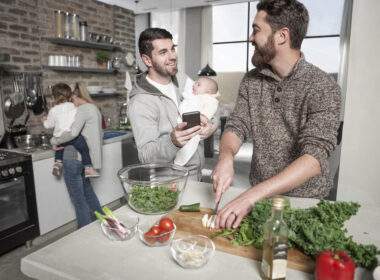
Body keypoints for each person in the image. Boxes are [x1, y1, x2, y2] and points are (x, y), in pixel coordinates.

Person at [211, 0, 341, 229]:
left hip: (304, 202)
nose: (251, 38)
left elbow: (314, 158)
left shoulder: (322, 85)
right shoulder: (252, 80)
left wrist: (251, 195)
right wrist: (225, 158)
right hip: (261, 200)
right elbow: (237, 125)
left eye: (256, 30)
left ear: (282, 36)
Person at [127, 27, 217, 180]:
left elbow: (211, 101)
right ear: (147, 60)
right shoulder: (140, 101)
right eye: (163, 52)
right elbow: (146, 156)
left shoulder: (182, 79)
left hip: (196, 175)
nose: (173, 56)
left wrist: (212, 125)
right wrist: (172, 142)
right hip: (169, 184)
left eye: (172, 49)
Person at [50, 82, 104, 228]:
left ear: (74, 96)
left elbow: (71, 134)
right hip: (85, 160)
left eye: (71, 100)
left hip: (73, 157)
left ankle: (84, 234)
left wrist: (54, 140)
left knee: (78, 200)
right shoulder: (94, 108)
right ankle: (104, 223)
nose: (71, 103)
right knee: (88, 193)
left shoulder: (81, 110)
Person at [41, 83, 99, 178]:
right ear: (70, 96)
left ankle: (58, 163)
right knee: (84, 149)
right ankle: (88, 168)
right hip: (72, 137)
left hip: (59, 137)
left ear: (53, 97)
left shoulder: (53, 111)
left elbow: (49, 125)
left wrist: (44, 121)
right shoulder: (74, 107)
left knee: (59, 148)